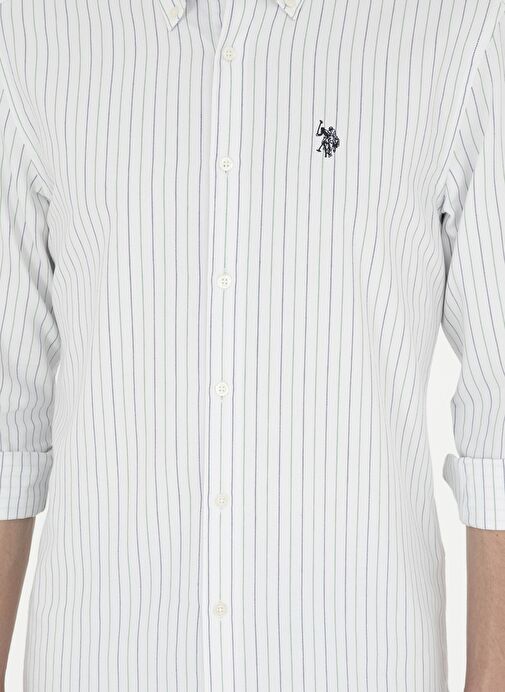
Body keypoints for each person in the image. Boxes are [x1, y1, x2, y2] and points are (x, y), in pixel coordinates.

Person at [0, 0, 504, 690]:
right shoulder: (30, 29)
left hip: (358, 661)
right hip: (97, 660)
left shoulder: (459, 29)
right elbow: (9, 411)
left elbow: (498, 420)